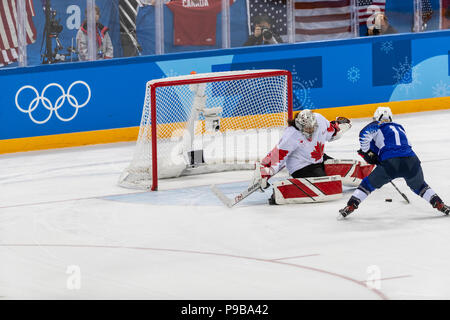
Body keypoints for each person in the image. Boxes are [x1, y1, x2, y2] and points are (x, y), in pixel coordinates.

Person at [338, 106, 450, 219]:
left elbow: (364, 135)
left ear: (376, 118)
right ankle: (439, 203)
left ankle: (351, 205)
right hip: (412, 161)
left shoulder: (376, 127)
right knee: (421, 186)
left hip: (391, 163)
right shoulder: (400, 128)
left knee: (367, 185)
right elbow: (406, 145)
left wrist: (366, 151)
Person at [252, 109, 351, 197]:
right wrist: (263, 173)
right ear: (300, 125)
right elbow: (276, 155)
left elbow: (331, 132)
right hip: (301, 167)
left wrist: (339, 127)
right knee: (329, 188)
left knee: (338, 170)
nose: (310, 131)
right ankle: (283, 191)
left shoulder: (319, 119)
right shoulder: (291, 134)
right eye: (307, 128)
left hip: (318, 159)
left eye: (312, 127)